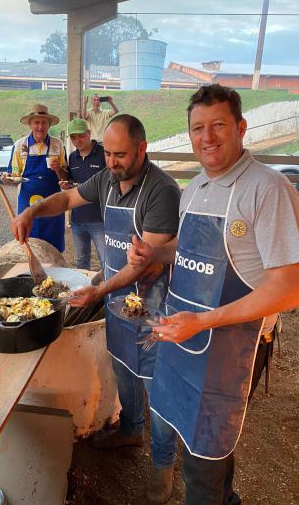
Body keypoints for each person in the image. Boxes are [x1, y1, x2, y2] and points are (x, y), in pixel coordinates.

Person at [127, 84, 299, 504]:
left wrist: (203, 321)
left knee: (204, 456)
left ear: (240, 127)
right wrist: (156, 251)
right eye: (198, 128)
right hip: (187, 335)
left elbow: (288, 289)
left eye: (218, 125)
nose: (207, 137)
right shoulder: (196, 187)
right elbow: (185, 251)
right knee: (204, 439)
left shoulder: (267, 189)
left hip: (232, 345)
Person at [11, 114, 181, 503]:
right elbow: (68, 198)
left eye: (121, 155)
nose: (112, 162)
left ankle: (163, 466)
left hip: (153, 304)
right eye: (109, 154)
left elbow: (143, 265)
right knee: (123, 367)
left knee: (160, 387)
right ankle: (129, 430)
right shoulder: (106, 178)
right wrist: (32, 212)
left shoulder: (162, 191)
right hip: (117, 296)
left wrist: (98, 290)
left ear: (143, 149)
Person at [2, 103, 68, 252]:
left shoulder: (57, 145)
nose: (40, 126)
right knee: (28, 243)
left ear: (49, 124)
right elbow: (14, 176)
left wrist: (58, 169)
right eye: (36, 122)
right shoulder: (20, 146)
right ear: (30, 124)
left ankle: (55, 272)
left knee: (53, 246)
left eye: (44, 122)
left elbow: (65, 177)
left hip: (53, 204)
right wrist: (8, 178)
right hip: (27, 204)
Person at [59, 118, 106, 270]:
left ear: (88, 133)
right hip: (77, 219)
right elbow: (72, 181)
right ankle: (84, 291)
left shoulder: (103, 153)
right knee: (81, 261)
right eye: (73, 137)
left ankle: (110, 292)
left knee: (106, 260)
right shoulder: (72, 157)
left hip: (100, 219)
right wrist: (67, 185)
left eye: (80, 135)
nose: (77, 140)